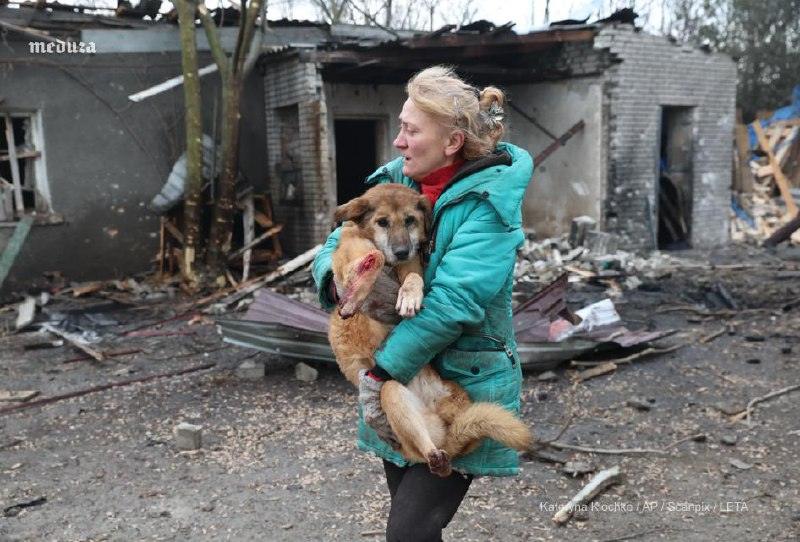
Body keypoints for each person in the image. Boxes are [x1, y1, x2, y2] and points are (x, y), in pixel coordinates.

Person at [312, 65, 534, 542]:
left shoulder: (489, 205)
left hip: (457, 382)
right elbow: (337, 242)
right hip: (394, 384)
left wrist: (382, 373)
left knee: (407, 532)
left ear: (451, 142)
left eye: (411, 130)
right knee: (412, 526)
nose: (398, 141)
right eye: (400, 126)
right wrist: (337, 287)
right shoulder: (396, 179)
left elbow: (454, 303)